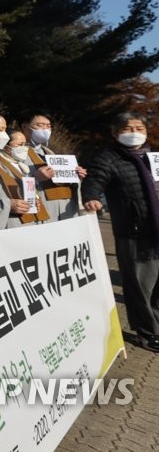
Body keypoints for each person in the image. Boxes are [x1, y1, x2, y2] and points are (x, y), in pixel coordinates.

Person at [83, 112, 159, 352]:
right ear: (116, 133)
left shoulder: (153, 158)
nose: (134, 132)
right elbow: (95, 180)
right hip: (133, 232)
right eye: (127, 128)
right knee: (140, 285)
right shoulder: (109, 158)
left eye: (139, 127)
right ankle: (148, 333)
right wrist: (92, 197)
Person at [19, 110, 86, 220]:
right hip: (43, 208)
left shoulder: (51, 153)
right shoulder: (18, 154)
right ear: (25, 127)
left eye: (48, 126)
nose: (45, 129)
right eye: (39, 125)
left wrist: (76, 176)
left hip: (66, 208)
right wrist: (35, 178)